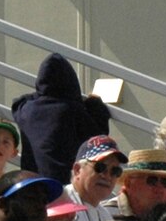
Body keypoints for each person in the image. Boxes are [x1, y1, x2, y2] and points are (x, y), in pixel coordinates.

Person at [10, 54, 110, 186]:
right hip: (64, 185)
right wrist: (94, 104)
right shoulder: (72, 110)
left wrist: (41, 95)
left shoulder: (27, 109)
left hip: (32, 185)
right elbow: (98, 135)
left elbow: (18, 102)